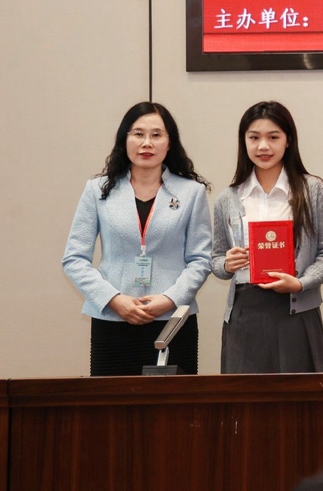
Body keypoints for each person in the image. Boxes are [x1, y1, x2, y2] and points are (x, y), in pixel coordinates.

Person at [62, 102, 212, 376]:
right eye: (138, 134)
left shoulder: (192, 192)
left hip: (172, 321)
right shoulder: (97, 190)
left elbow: (201, 260)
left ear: (170, 142)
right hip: (113, 319)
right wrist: (113, 300)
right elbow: (74, 259)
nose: (147, 143)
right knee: (112, 402)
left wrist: (170, 299)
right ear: (124, 139)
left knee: (174, 402)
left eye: (156, 135)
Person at [210, 101, 323, 373]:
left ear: (288, 141)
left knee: (299, 395)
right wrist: (226, 264)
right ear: (244, 142)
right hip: (245, 312)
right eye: (254, 138)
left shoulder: (312, 190)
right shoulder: (228, 198)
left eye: (273, 137)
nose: (263, 146)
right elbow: (216, 260)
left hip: (296, 309)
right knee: (245, 395)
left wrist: (301, 283)